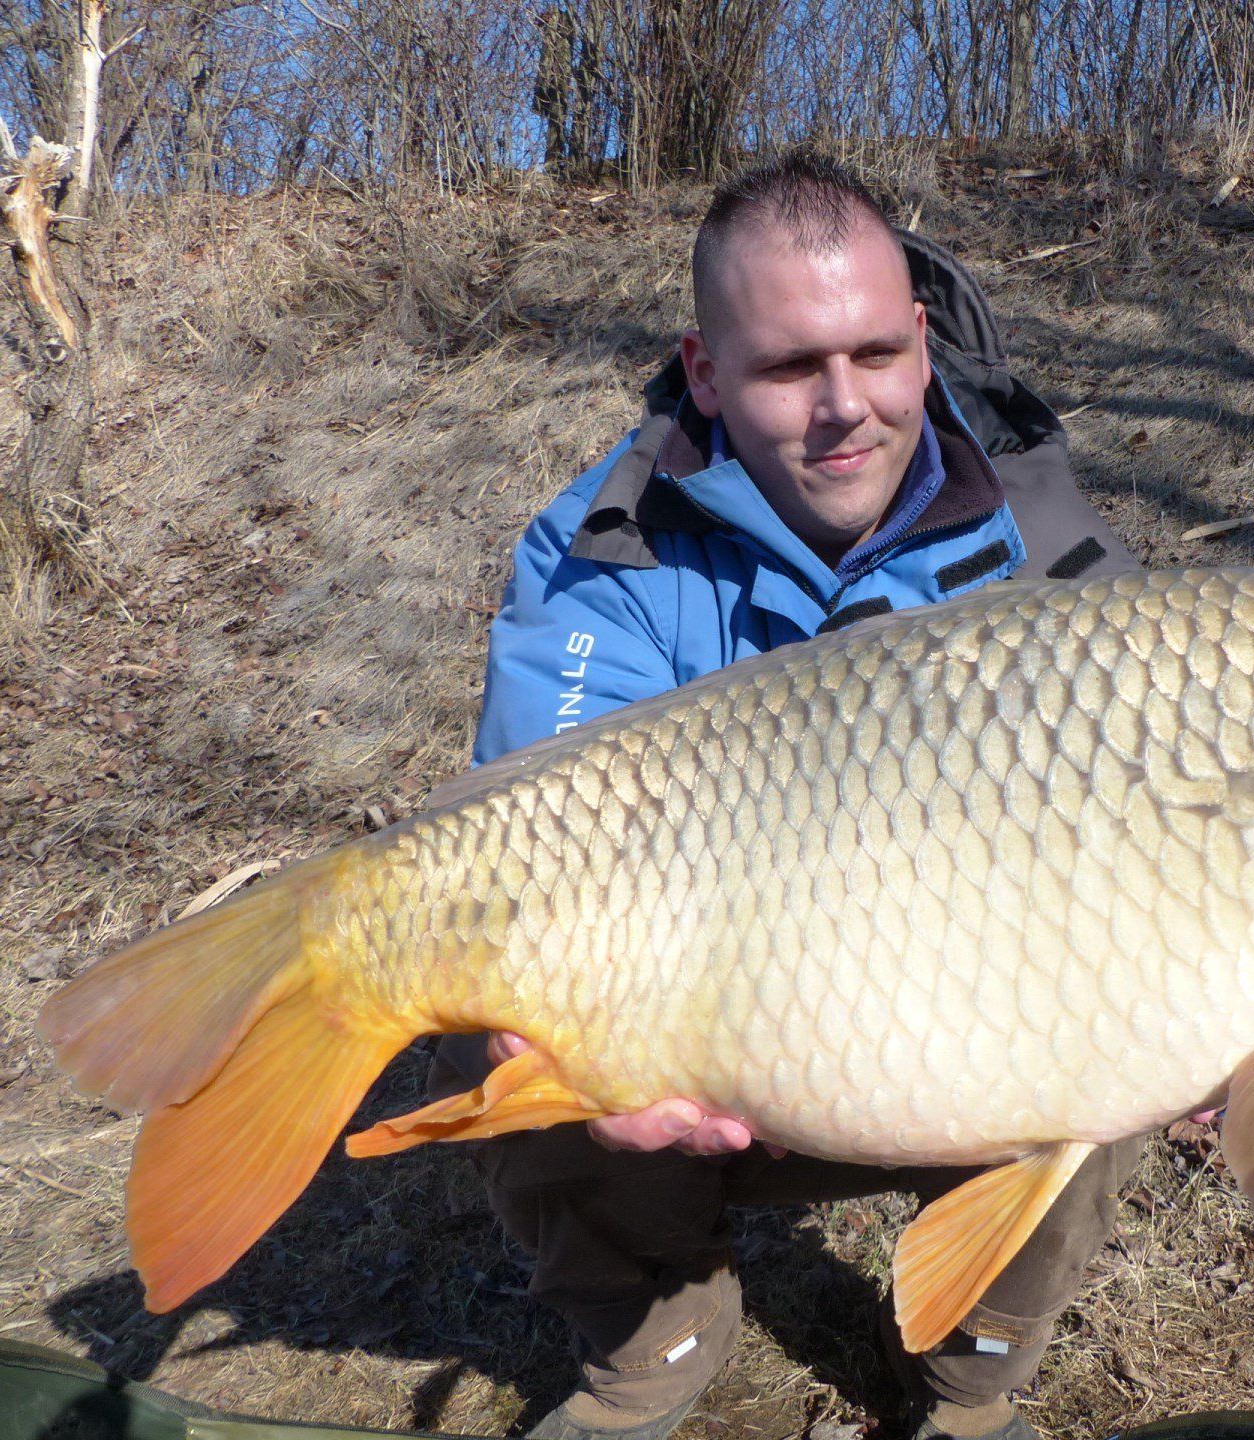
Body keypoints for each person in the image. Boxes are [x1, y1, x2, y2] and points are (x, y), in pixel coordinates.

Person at [433, 150, 1142, 1440]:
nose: (847, 407)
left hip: (965, 1018)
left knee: (1126, 1030)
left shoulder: (1052, 547)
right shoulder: (609, 545)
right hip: (706, 1023)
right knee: (516, 1018)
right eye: (785, 369)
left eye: (876, 355)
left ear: (924, 344)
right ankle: (656, 1343)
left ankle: (971, 1383)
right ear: (704, 372)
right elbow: (531, 855)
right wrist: (579, 1036)